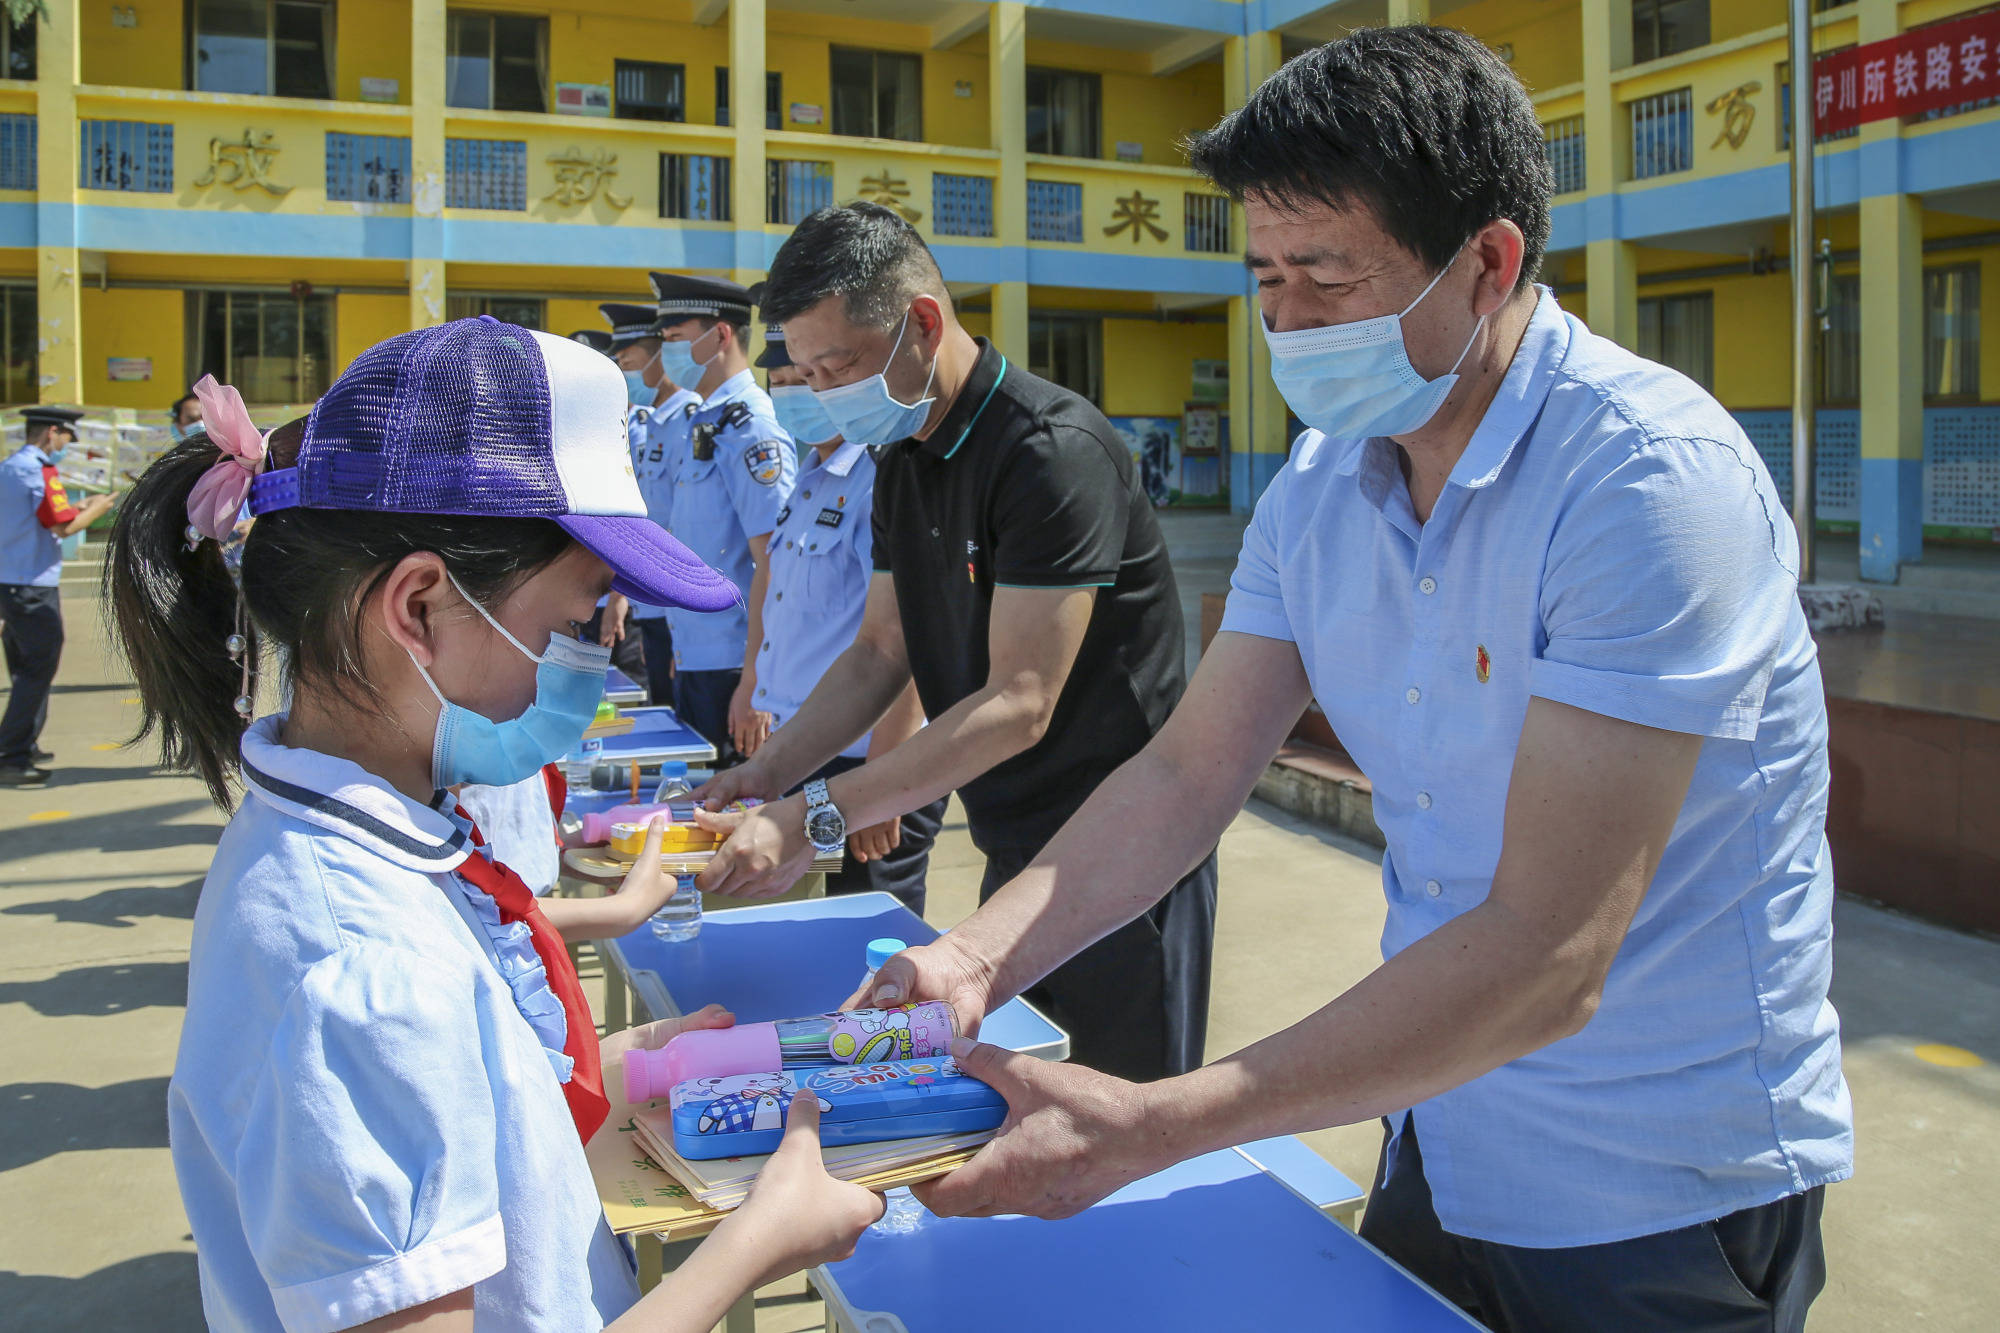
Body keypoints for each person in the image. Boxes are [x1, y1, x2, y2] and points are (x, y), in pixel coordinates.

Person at [850, 28, 1849, 1332]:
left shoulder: (1641, 485)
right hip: (1439, 1116)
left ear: (1487, 263)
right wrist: (976, 959)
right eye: (1265, 277)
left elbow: (1552, 954)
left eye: (1326, 275)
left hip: (1657, 1183)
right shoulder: (1325, 489)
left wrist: (1157, 1121)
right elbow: (1188, 771)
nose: (1287, 322)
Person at [103, 317, 881, 1331]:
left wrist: (596, 1065)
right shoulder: (354, 967)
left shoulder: (372, 847)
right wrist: (755, 1242)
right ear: (420, 606)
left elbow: (448, 1103)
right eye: (571, 623)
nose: (584, 671)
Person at [694, 204, 1217, 1085]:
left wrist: (818, 817)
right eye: (808, 372)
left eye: (841, 365)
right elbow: (877, 651)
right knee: (1010, 1099)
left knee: (1113, 1118)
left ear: (923, 325)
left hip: (1122, 852)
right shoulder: (903, 455)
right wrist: (770, 773)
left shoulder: (1049, 453)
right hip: (1014, 848)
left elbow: (1019, 701)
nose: (823, 393)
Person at [752, 320, 944, 916]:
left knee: (872, 940)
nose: (787, 394)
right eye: (778, 381)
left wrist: (881, 790)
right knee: (813, 922)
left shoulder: (885, 477)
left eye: (801, 379)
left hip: (868, 755)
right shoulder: (808, 478)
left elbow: (910, 644)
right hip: (807, 747)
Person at [646, 273, 796, 761]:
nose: (668, 354)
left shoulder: (751, 428)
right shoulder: (706, 421)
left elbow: (774, 563)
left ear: (721, 336)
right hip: (698, 653)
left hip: (736, 661)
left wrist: (756, 680)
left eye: (675, 340)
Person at [1, 406, 116, 787]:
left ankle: (24, 744)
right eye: (67, 439)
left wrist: (77, 508)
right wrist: (98, 509)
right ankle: (12, 754)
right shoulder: (40, 471)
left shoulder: (10, 467)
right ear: (52, 433)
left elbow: (45, 515)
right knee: (37, 669)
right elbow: (65, 528)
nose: (66, 447)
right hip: (33, 585)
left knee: (25, 668)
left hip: (12, 581)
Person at [600, 301, 700, 703]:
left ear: (660, 357)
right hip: (653, 600)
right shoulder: (651, 424)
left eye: (629, 363)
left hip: (678, 606)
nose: (623, 374)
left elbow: (681, 525)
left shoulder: (689, 423)